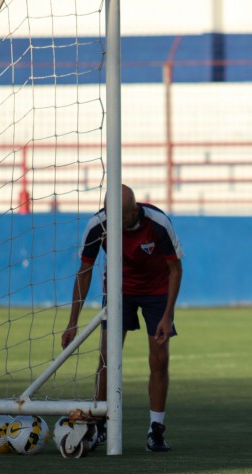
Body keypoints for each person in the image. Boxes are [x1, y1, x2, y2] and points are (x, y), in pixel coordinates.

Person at [61, 184, 184, 452]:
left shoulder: (158, 223)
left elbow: (175, 269)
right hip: (118, 292)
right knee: (107, 358)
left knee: (159, 359)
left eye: (122, 216)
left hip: (157, 292)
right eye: (110, 214)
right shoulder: (98, 225)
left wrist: (167, 315)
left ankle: (156, 429)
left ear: (134, 210)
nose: (115, 221)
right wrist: (73, 321)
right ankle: (100, 425)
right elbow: (84, 271)